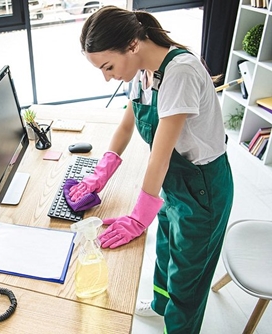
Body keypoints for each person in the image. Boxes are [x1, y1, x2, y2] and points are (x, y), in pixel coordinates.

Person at [67, 5, 234, 334]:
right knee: (164, 253)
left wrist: (139, 215)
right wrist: (99, 174)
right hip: (174, 184)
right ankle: (160, 306)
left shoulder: (180, 72)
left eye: (108, 66)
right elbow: (126, 128)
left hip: (203, 188)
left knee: (188, 278)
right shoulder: (141, 72)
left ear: (132, 45)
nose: (107, 76)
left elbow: (160, 154)